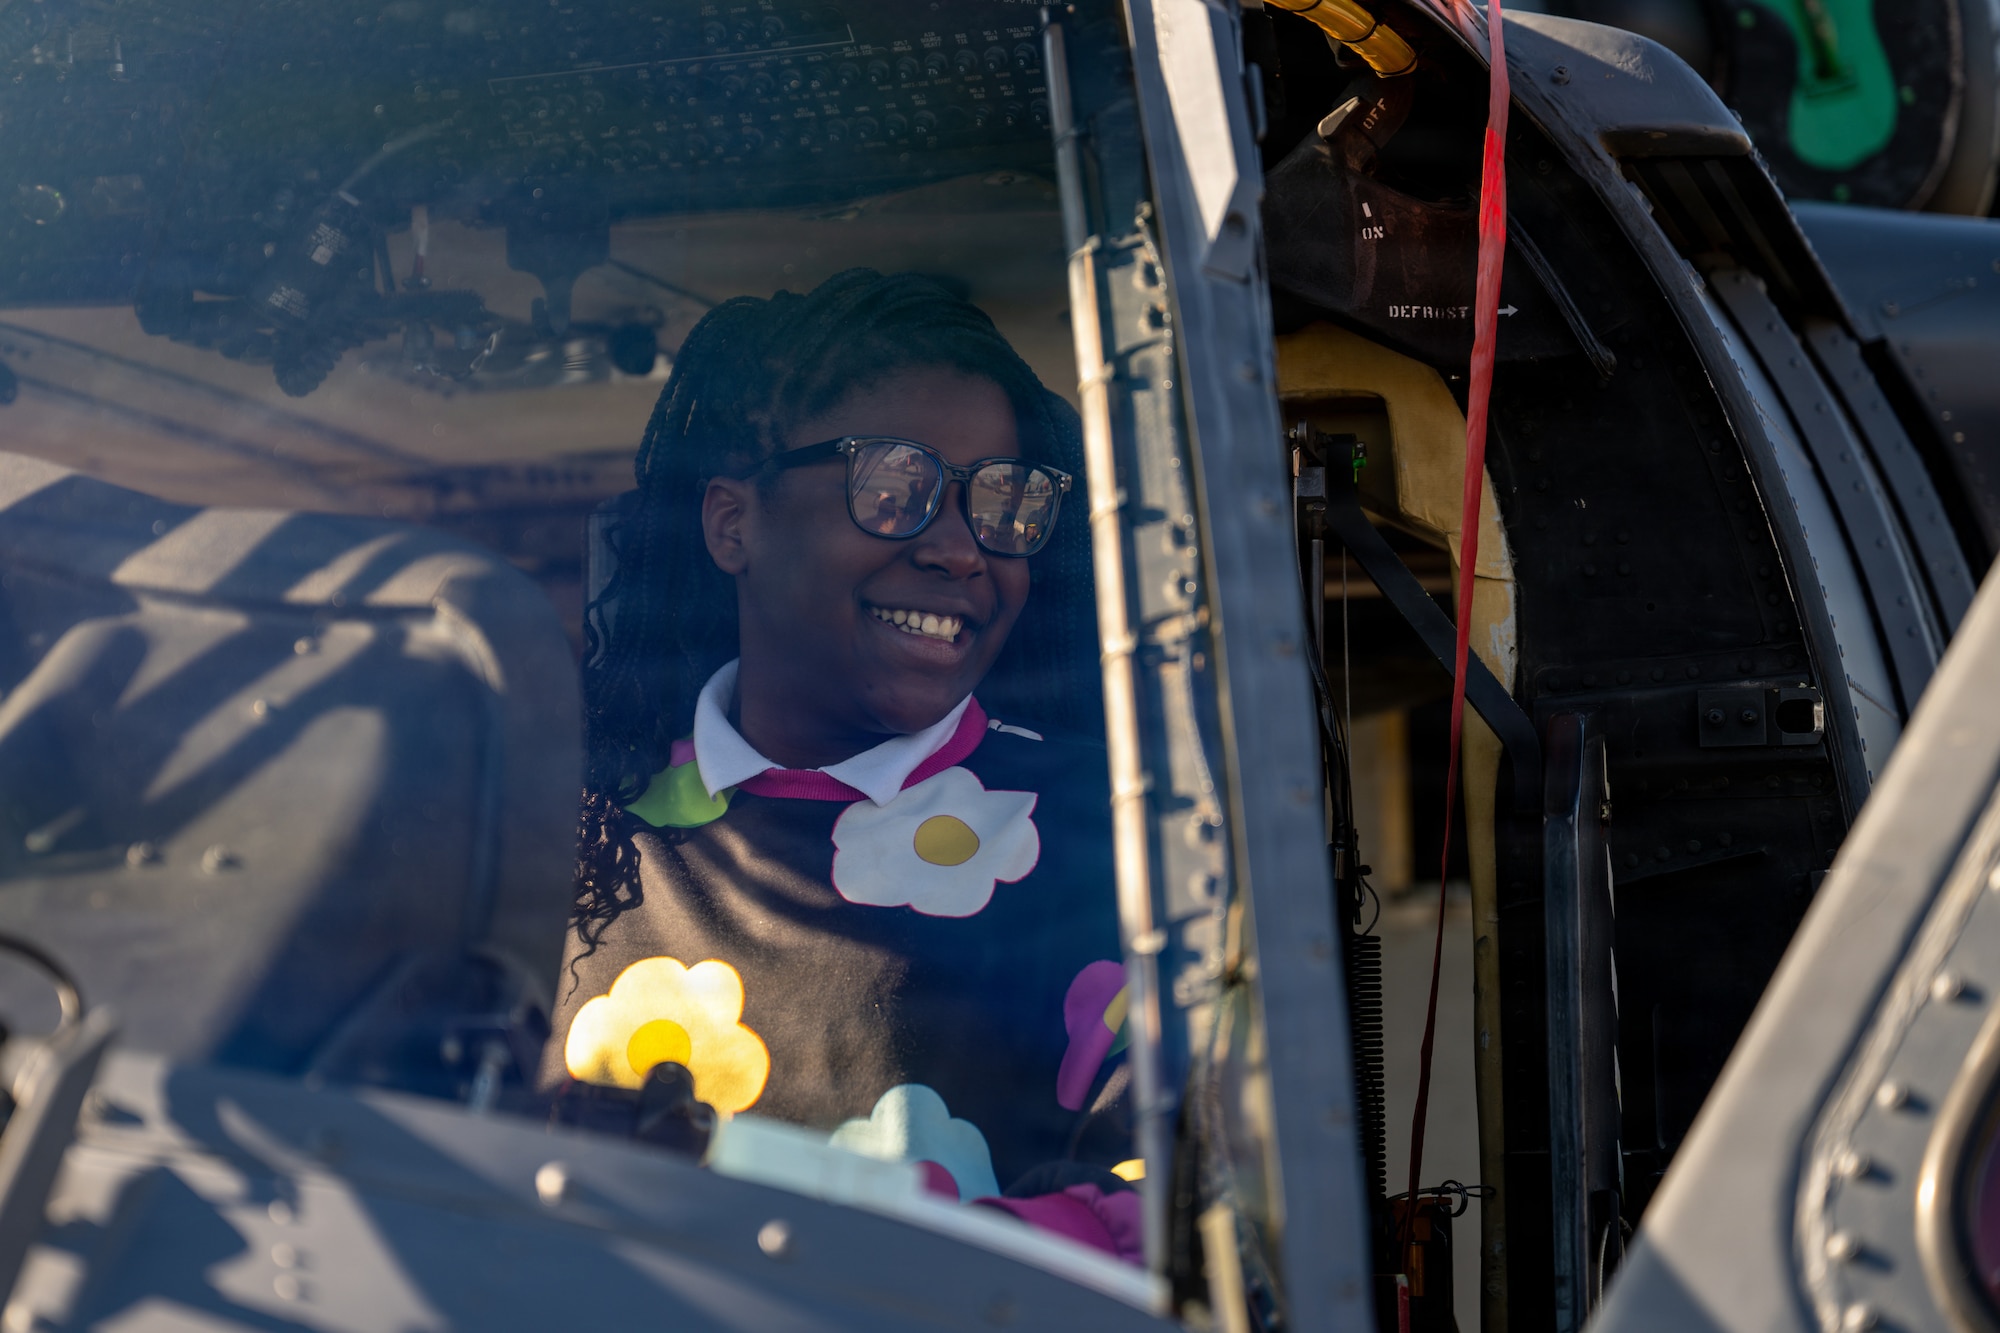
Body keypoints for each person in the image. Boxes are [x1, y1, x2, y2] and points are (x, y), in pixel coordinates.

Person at [547, 270, 1138, 1260]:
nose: (960, 549)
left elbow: (1204, 1192)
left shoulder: (1121, 831)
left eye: (1004, 502)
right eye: (893, 488)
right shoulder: (578, 838)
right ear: (734, 523)